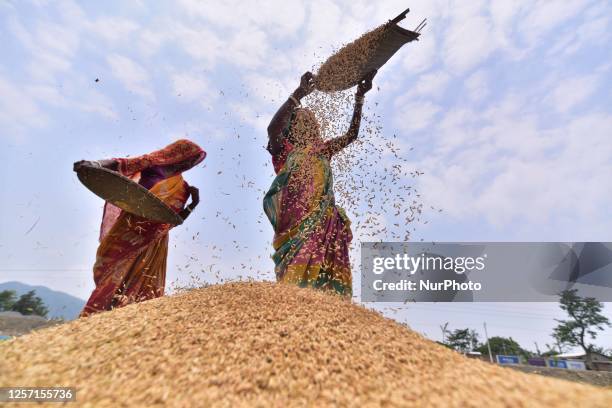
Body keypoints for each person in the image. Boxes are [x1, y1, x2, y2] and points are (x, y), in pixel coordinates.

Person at [263, 70, 376, 296]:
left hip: (325, 221)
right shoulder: (285, 151)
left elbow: (352, 134)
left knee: (326, 276)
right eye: (300, 121)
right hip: (296, 226)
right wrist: (299, 93)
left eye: (311, 121)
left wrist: (359, 97)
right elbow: (272, 128)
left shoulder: (323, 150)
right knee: (295, 278)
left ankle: (329, 317)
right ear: (290, 130)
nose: (308, 123)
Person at [74, 139, 205, 317]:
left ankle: (128, 319)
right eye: (189, 158)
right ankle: (94, 316)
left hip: (152, 241)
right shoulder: (151, 163)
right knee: (111, 271)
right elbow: (120, 164)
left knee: (141, 281)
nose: (189, 164)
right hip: (129, 226)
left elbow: (172, 220)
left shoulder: (182, 187)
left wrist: (192, 205)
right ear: (177, 153)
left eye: (193, 162)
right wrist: (92, 164)